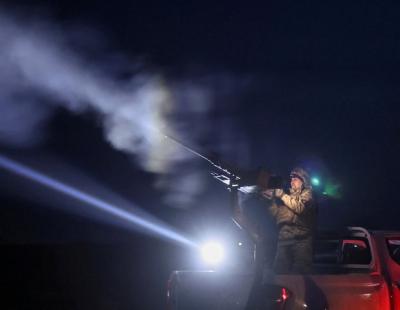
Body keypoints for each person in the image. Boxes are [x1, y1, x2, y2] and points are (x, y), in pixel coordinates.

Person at [265, 167, 317, 273]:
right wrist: (271, 202)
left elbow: (300, 208)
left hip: (301, 239)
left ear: (303, 182)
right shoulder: (287, 196)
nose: (292, 181)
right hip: (284, 238)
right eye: (291, 178)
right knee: (279, 272)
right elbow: (276, 215)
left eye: (296, 179)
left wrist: (282, 195)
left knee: (300, 274)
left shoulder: (308, 195)